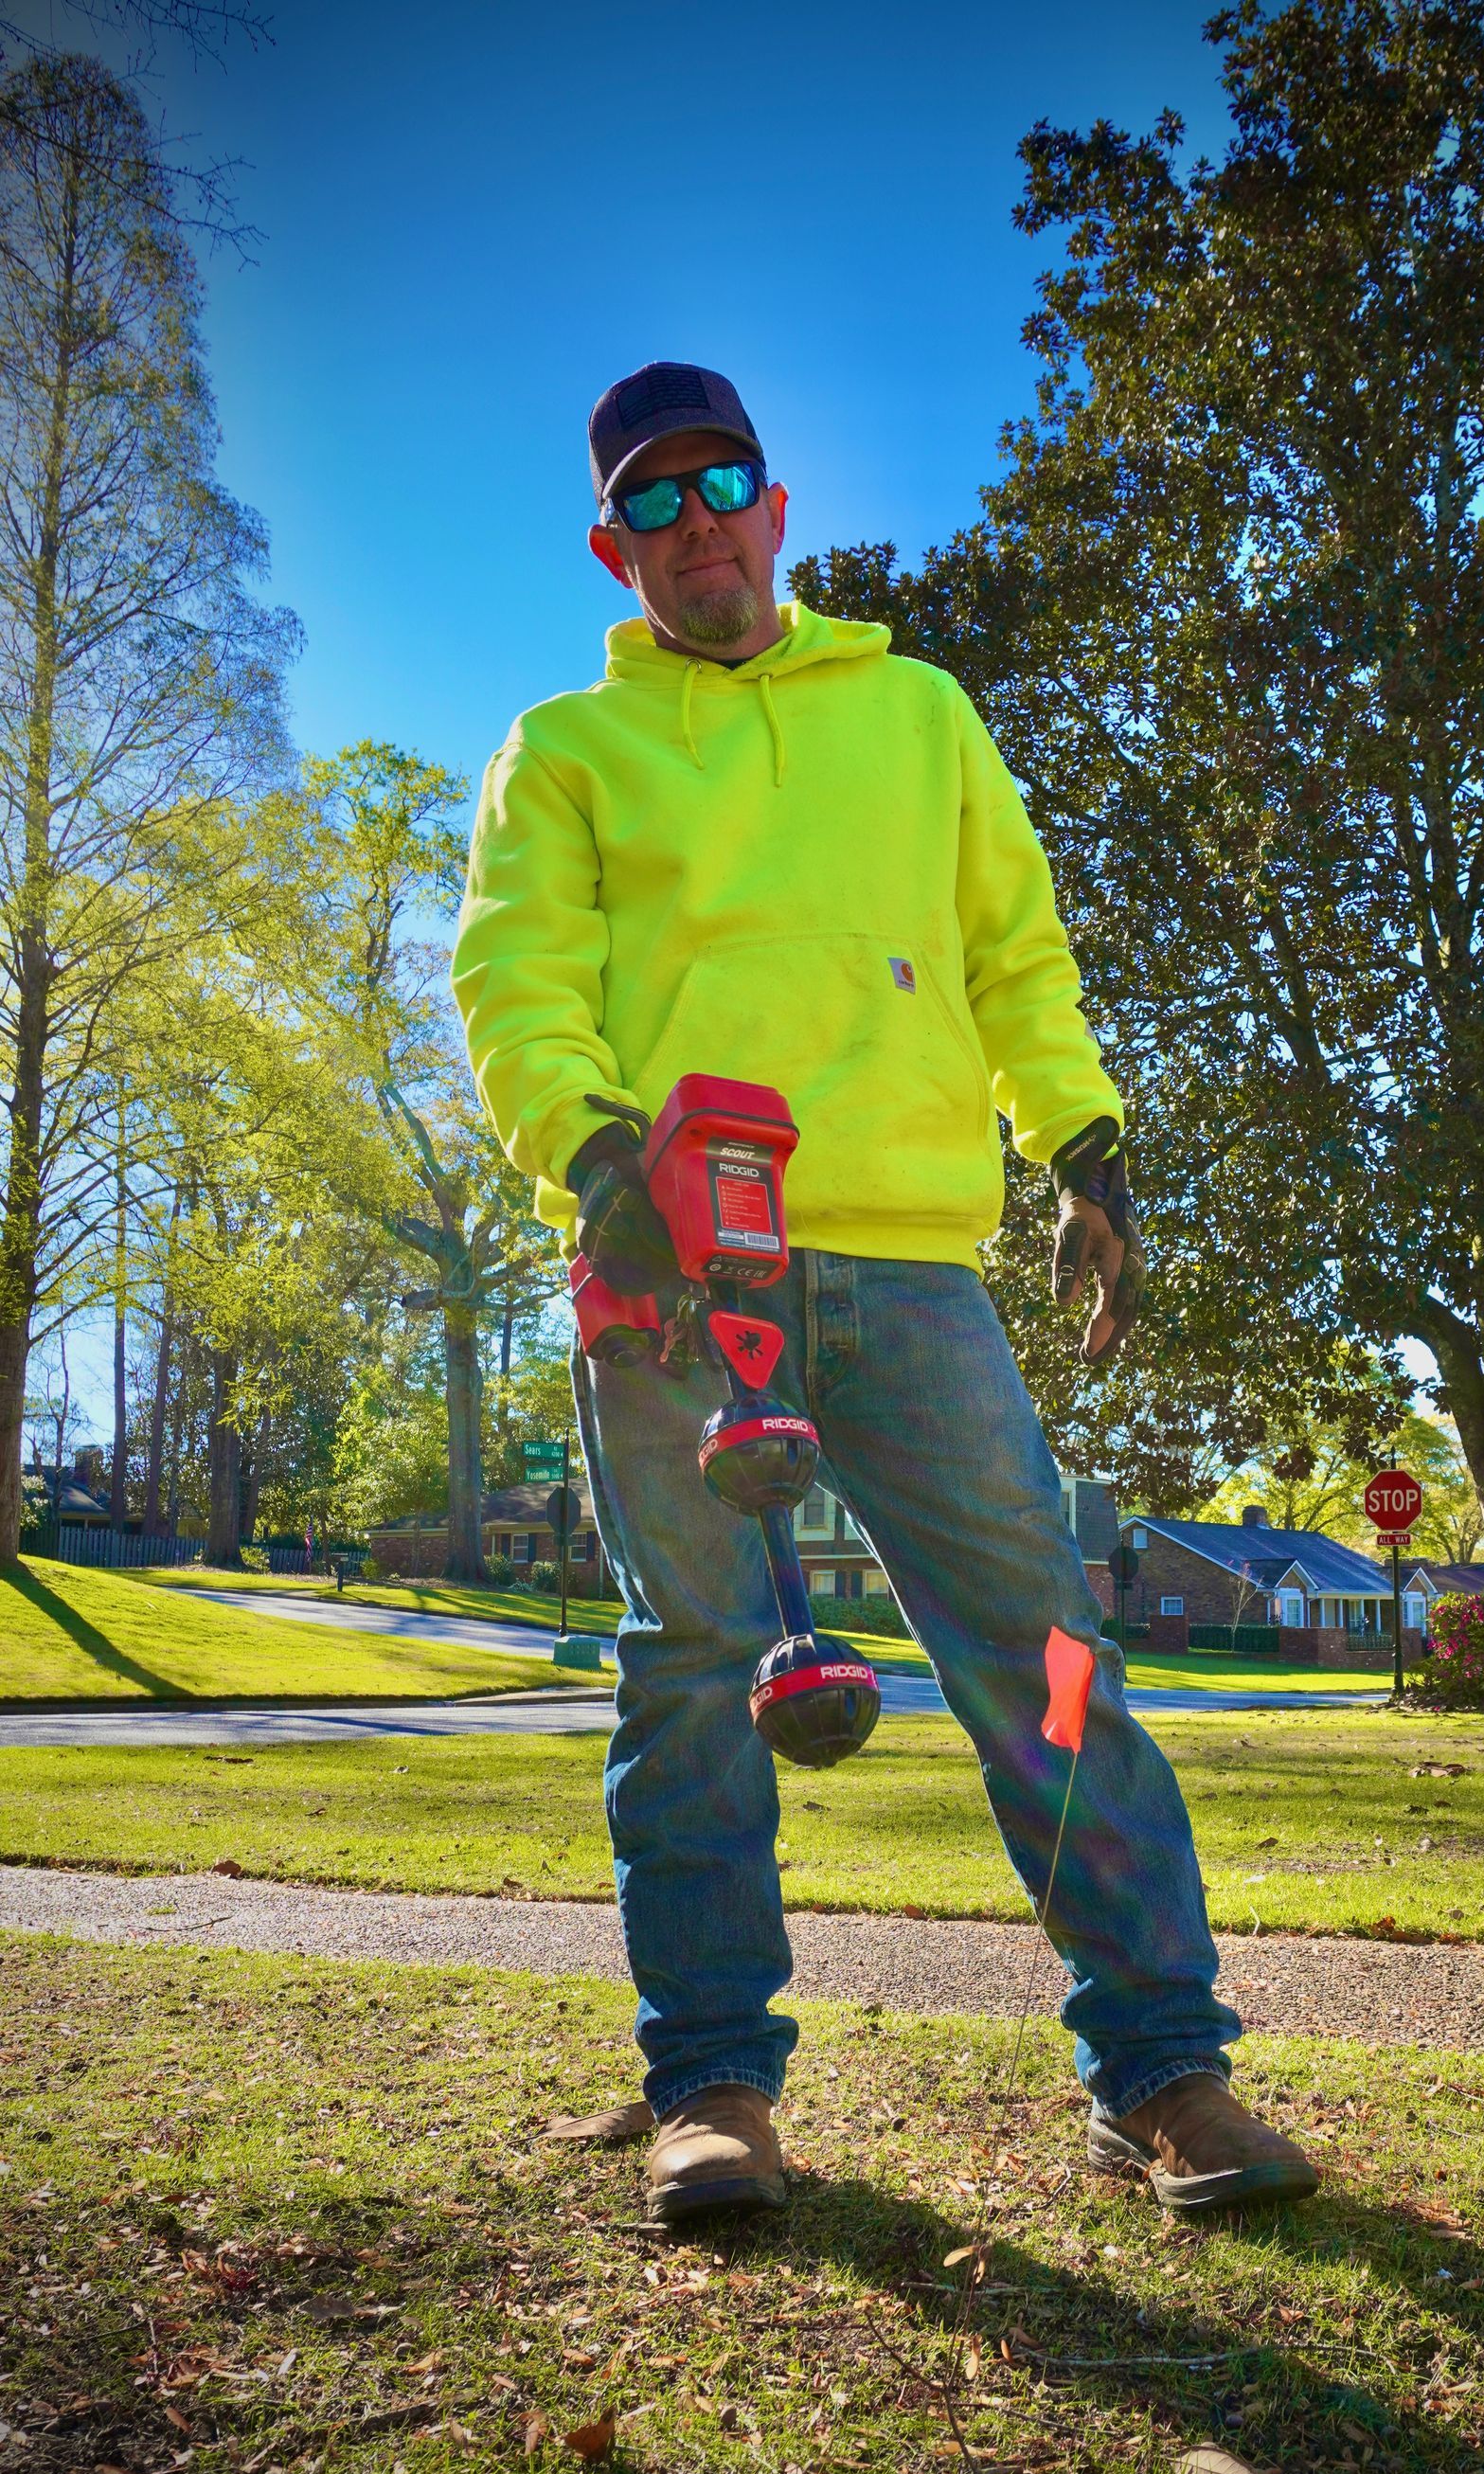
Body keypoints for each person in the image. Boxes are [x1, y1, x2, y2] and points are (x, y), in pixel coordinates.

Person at [453, 361, 1317, 2232]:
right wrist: (597, 1169)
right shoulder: (566, 749)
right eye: (653, 502)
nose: (696, 525)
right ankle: (713, 2093)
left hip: (917, 1268)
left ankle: (1162, 2072)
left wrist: (1084, 1147)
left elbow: (1015, 949)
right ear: (615, 549)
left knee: (1046, 1653)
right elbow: (517, 982)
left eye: (723, 485)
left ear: (778, 508)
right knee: (692, 1672)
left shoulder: (921, 713)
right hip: (678, 1273)